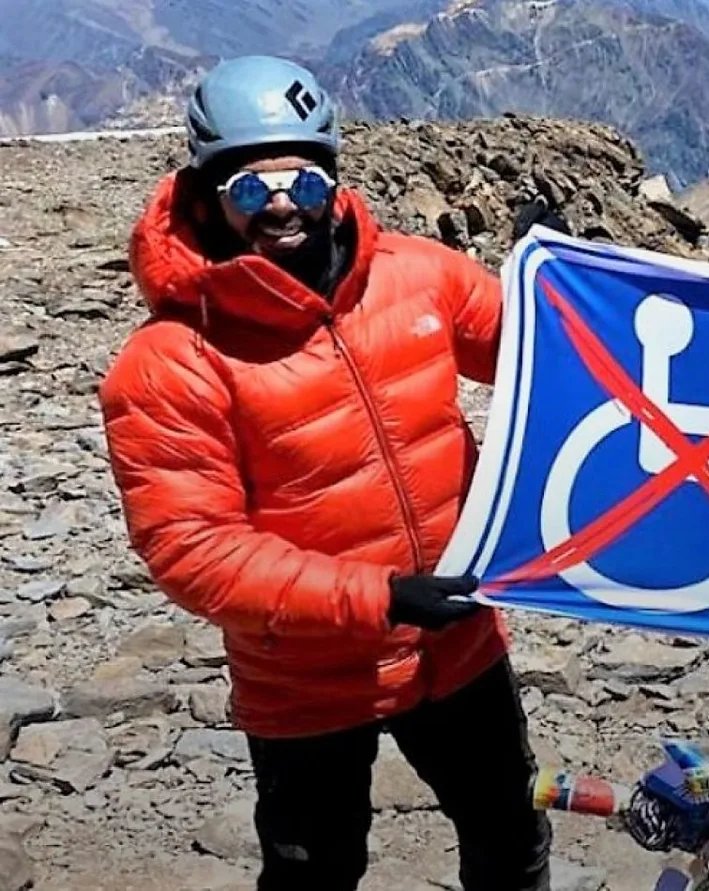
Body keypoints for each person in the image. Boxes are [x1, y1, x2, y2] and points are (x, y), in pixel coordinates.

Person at [98, 56, 551, 890]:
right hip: (305, 683)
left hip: (460, 644)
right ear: (204, 193)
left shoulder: (423, 275)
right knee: (316, 874)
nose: (280, 207)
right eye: (247, 190)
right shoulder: (171, 361)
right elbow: (195, 554)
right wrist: (379, 597)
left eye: (302, 184)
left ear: (335, 183)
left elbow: (555, 357)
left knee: (512, 835)